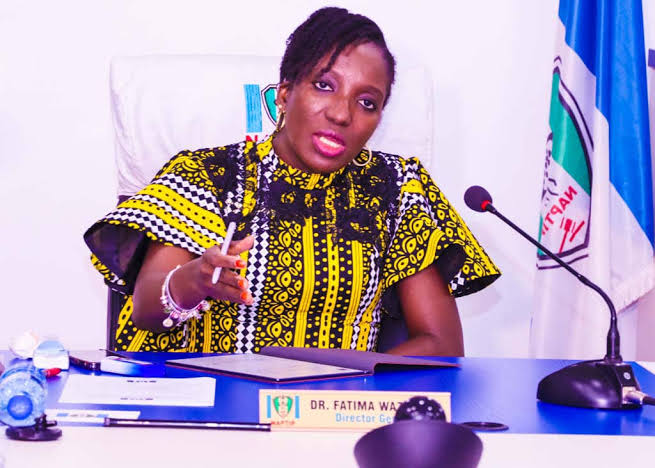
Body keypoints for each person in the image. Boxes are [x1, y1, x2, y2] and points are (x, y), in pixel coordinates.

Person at [84, 7, 500, 356]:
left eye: (367, 102)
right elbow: (145, 310)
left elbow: (441, 343)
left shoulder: (394, 187)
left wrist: (342, 389)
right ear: (284, 94)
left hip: (339, 412)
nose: (341, 114)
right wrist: (193, 280)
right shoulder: (207, 174)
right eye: (324, 85)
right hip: (215, 405)